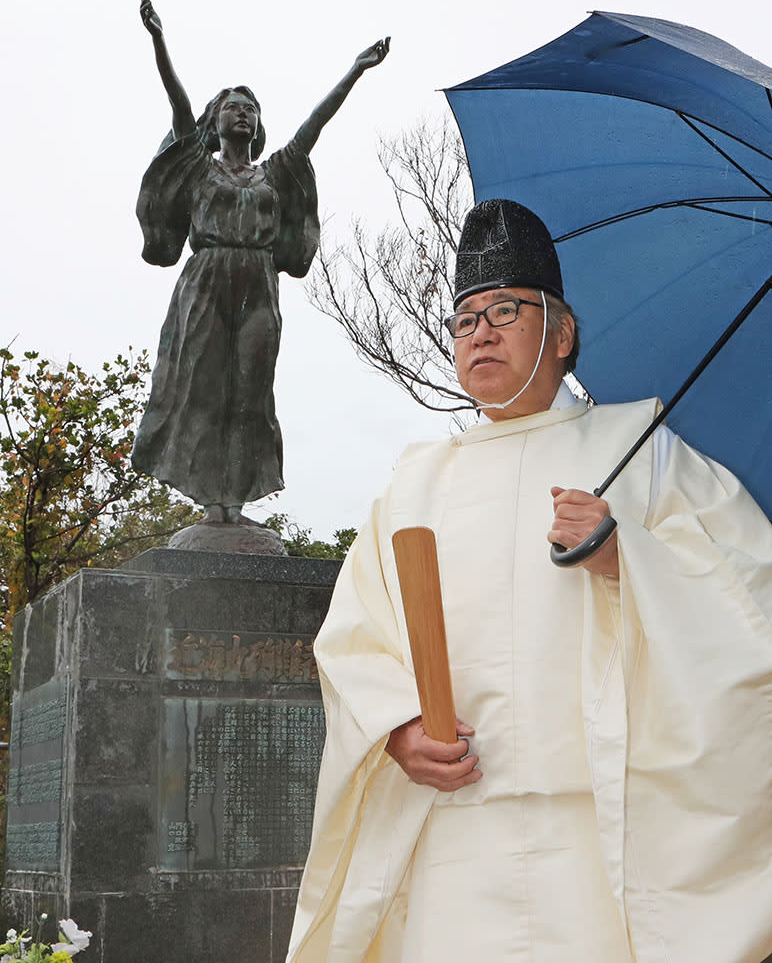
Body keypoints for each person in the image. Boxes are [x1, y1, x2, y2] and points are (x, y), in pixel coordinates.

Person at [287, 199, 772, 962]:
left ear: (563, 333)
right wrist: (398, 730)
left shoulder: (640, 448)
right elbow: (355, 639)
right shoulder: (415, 482)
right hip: (453, 833)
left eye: (506, 310)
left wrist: (626, 554)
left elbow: (750, 599)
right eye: (464, 319)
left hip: (604, 834)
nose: (480, 330)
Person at [131, 0, 389, 522]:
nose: (242, 114)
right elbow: (179, 106)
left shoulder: (274, 173)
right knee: (202, 389)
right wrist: (159, 40)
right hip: (205, 282)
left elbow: (314, 127)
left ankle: (237, 500)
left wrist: (355, 71)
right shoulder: (201, 167)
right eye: (232, 107)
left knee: (251, 392)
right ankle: (209, 506)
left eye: (250, 109)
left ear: (258, 124)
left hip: (259, 285)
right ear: (217, 121)